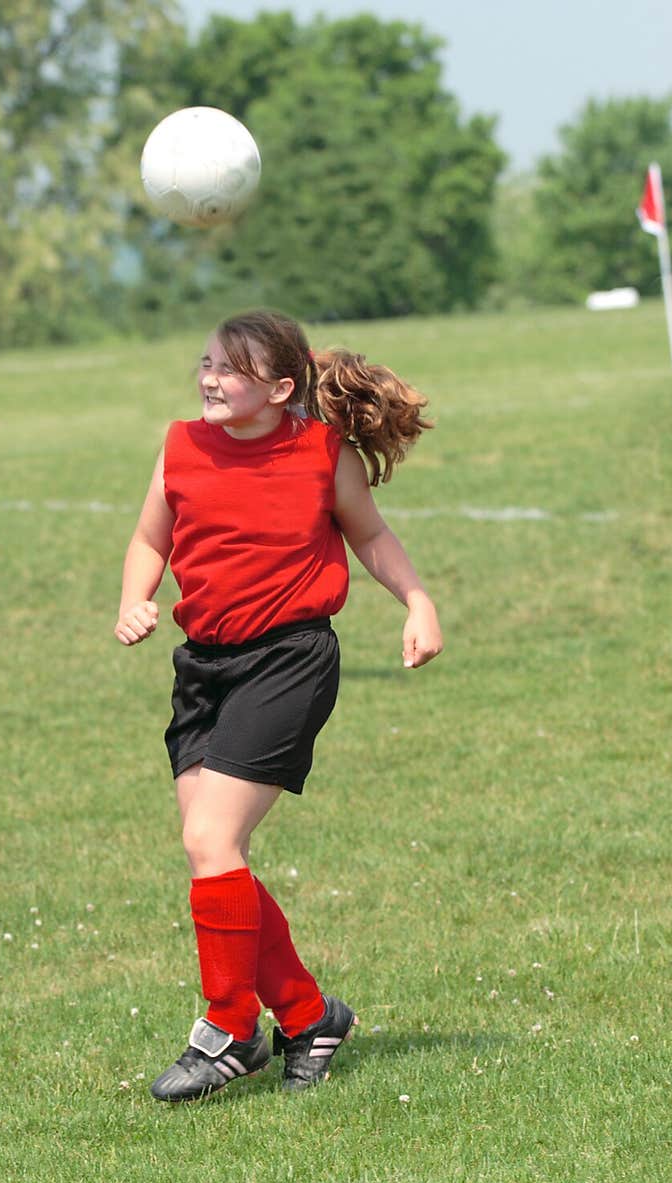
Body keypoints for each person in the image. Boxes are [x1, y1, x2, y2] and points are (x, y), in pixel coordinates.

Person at [114, 309, 442, 1103]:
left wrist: (418, 602)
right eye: (206, 363)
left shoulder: (322, 456)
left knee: (209, 837)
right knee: (213, 854)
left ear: (281, 388)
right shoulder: (180, 445)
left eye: (230, 370)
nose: (209, 379)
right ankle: (306, 1013)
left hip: (288, 662)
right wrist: (135, 598)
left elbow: (369, 536)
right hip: (204, 666)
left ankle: (228, 1025)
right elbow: (149, 539)